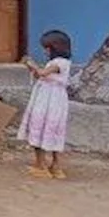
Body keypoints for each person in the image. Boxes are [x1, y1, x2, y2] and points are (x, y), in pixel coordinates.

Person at [19, 30, 74, 179]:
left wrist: (31, 63)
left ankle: (41, 164)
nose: (45, 51)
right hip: (49, 97)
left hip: (49, 100)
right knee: (50, 130)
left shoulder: (60, 63)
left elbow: (42, 73)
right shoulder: (58, 63)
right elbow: (40, 75)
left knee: (42, 126)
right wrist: (31, 67)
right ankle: (55, 166)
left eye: (47, 48)